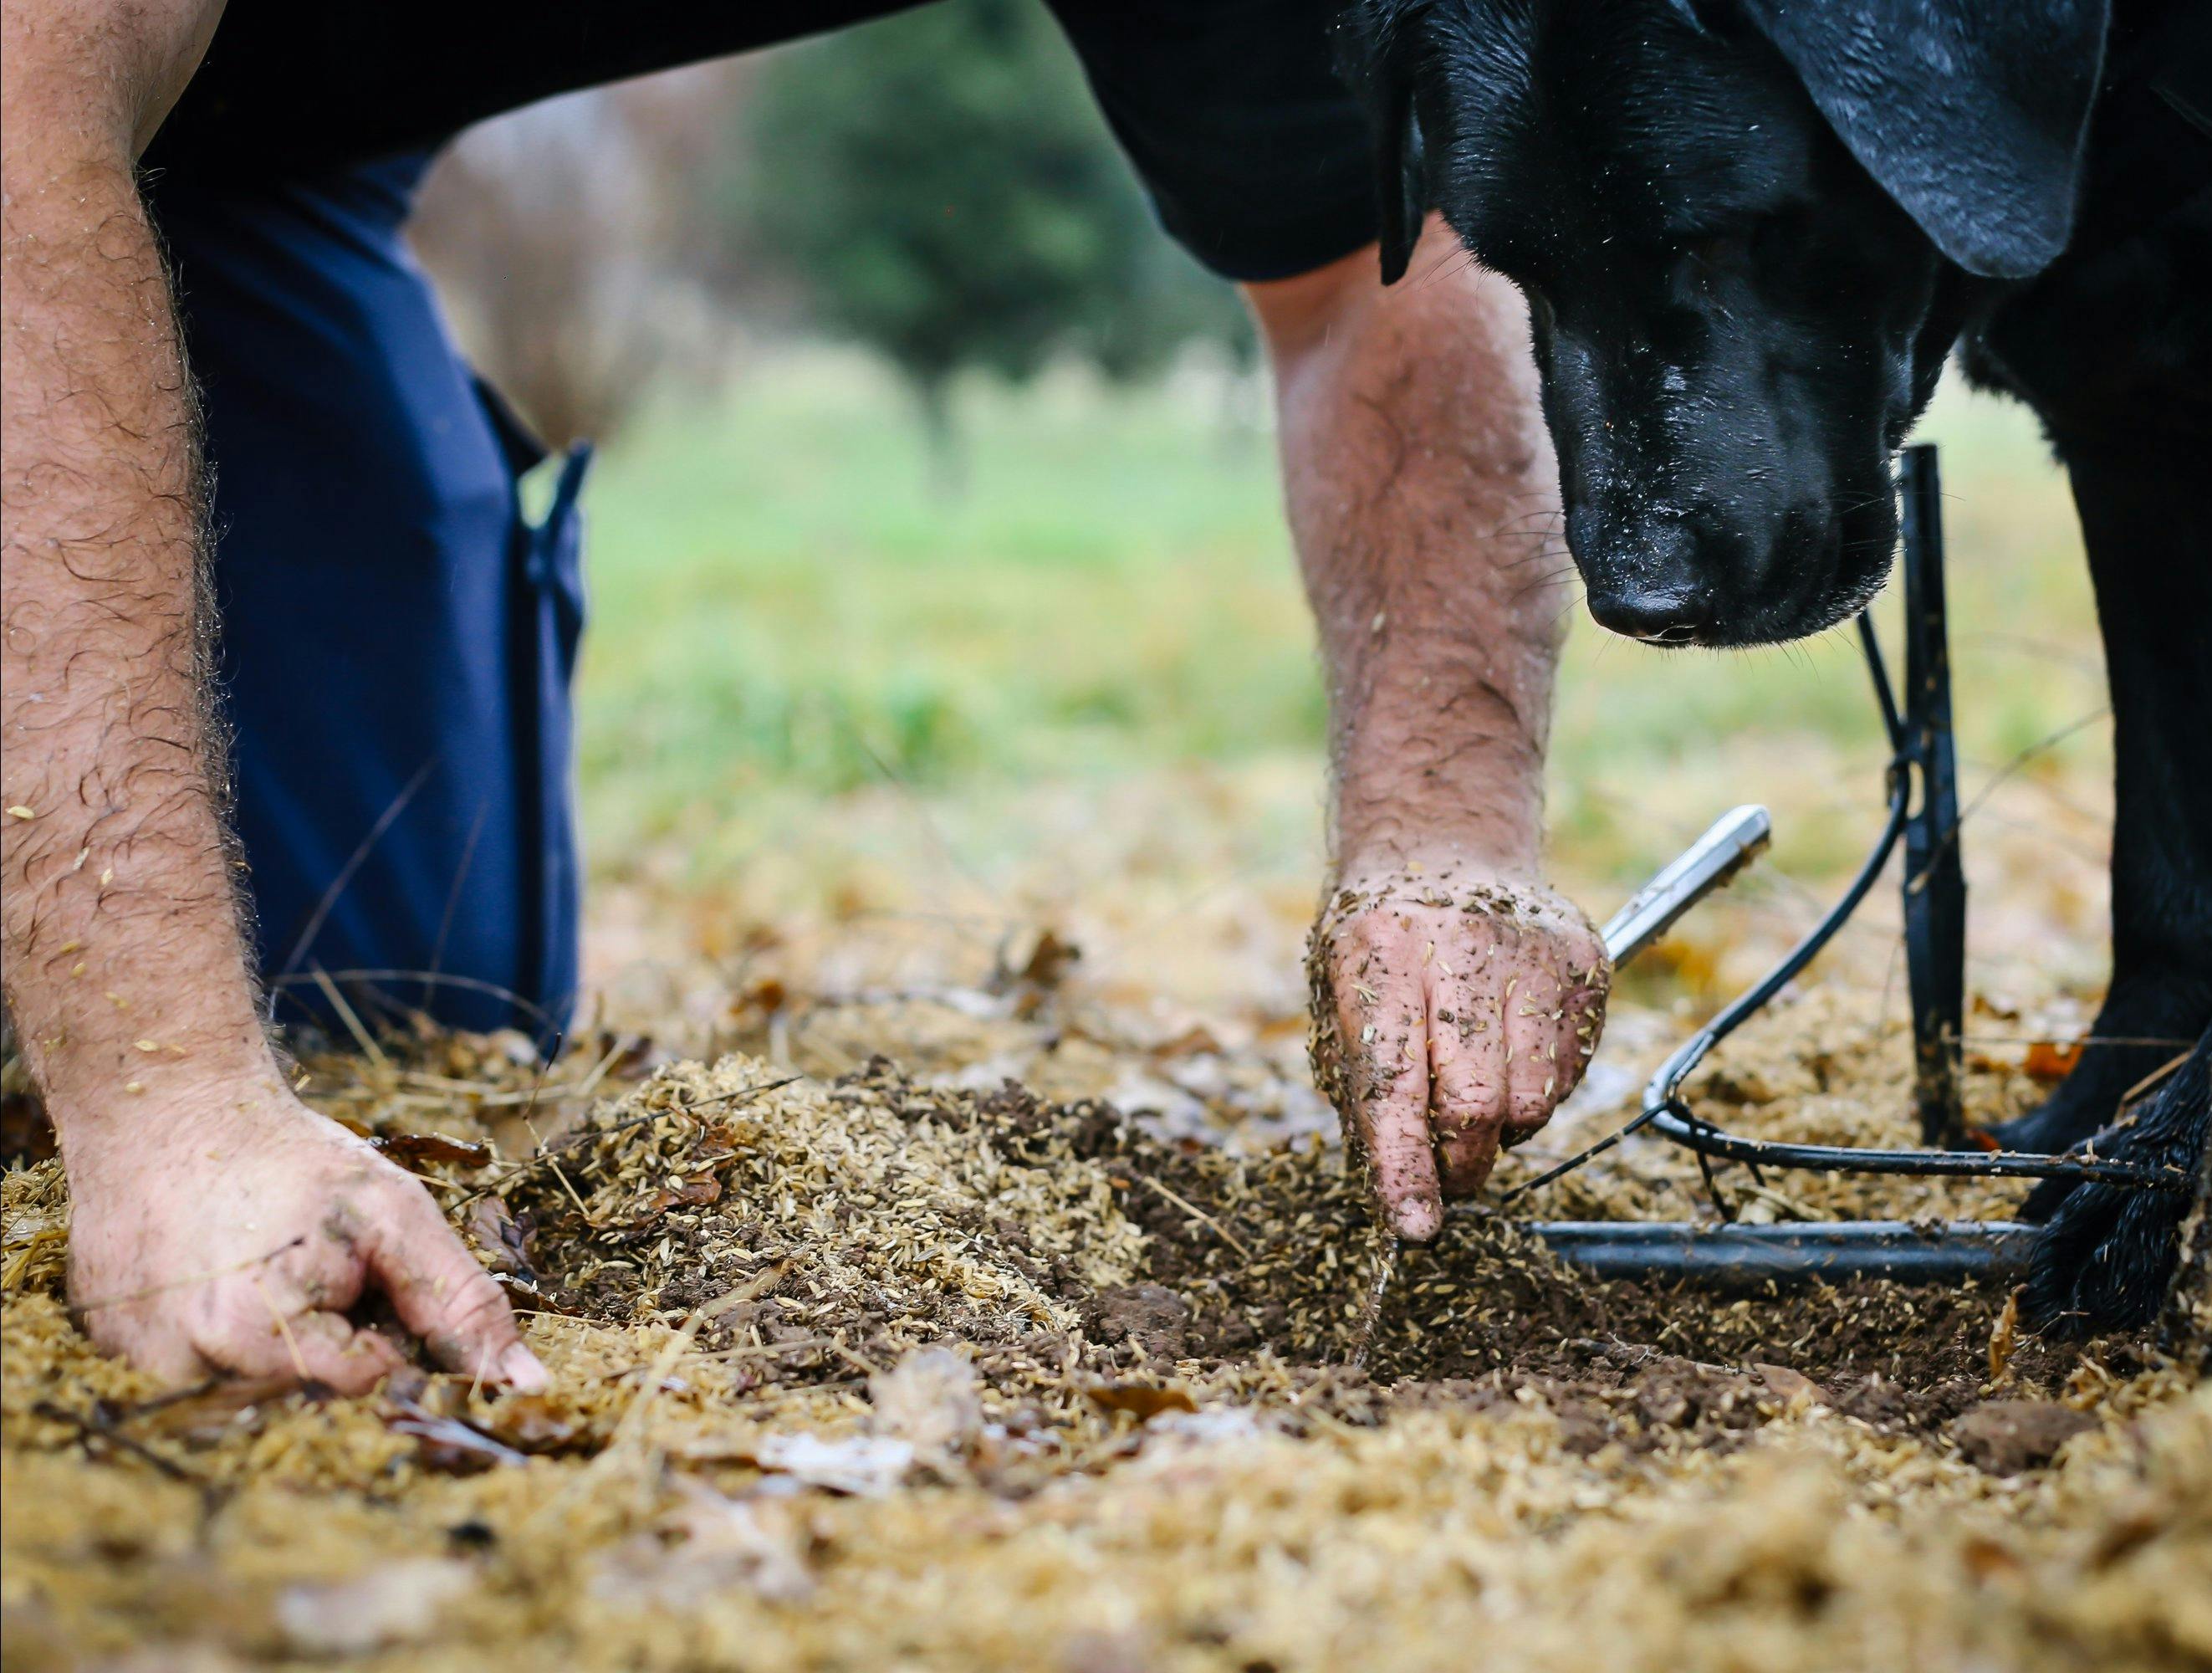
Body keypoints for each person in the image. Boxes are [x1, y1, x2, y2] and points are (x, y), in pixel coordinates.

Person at [0, 1, 1607, 1394]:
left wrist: (1443, 829)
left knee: (400, 1012)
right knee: (150, 1075)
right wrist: (162, 1094)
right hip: (49, 128)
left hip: (263, 168)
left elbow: (1371, 264)